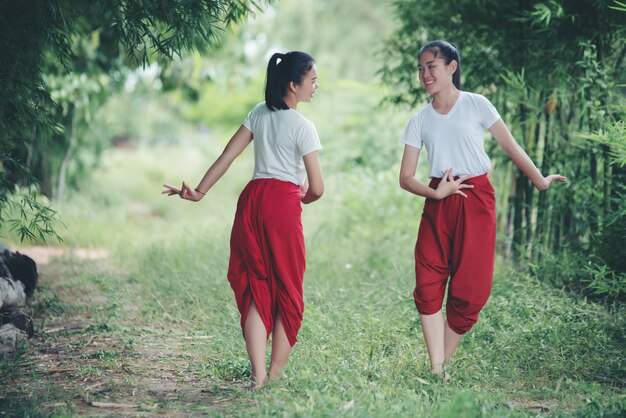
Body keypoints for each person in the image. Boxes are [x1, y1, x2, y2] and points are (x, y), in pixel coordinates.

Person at [399, 40, 567, 380]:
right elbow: (405, 177)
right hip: (437, 199)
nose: (424, 74)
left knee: (472, 286)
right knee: (428, 279)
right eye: (420, 69)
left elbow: (510, 145)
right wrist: (437, 193)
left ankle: (439, 365)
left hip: (476, 199)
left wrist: (540, 181)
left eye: (431, 66)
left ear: (451, 67)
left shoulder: (476, 104)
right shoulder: (419, 120)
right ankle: (437, 368)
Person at [163, 51, 323, 390]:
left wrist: (199, 192)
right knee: (288, 291)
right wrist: (303, 196)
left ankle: (258, 375)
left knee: (255, 284)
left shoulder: (258, 113)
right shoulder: (304, 127)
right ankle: (275, 377)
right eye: (312, 81)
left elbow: (227, 156)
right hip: (282, 203)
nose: (316, 86)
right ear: (293, 85)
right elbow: (318, 188)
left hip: (251, 201)